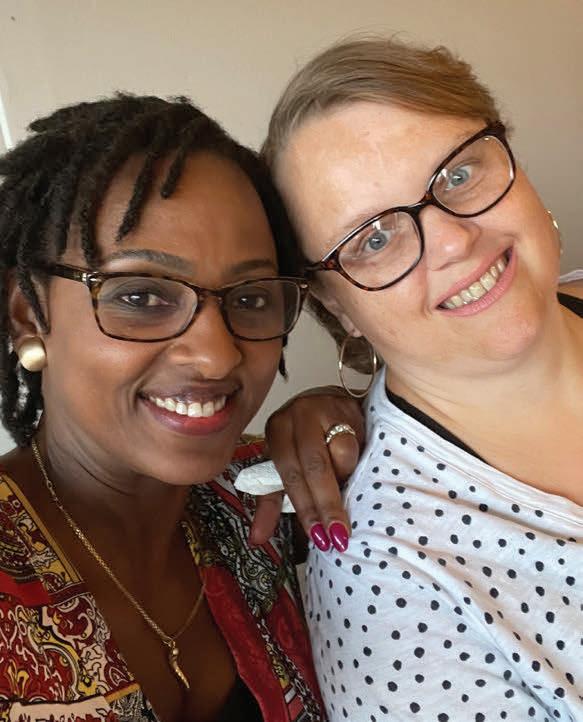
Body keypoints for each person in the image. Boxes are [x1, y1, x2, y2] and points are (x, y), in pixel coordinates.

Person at [261, 37, 583, 721]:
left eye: (456, 174)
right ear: (335, 305)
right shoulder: (385, 583)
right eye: (373, 239)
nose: (453, 241)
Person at [0, 93, 331, 722]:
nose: (216, 356)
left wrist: (360, 417)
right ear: (28, 314)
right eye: (142, 296)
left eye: (251, 298)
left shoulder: (270, 498)